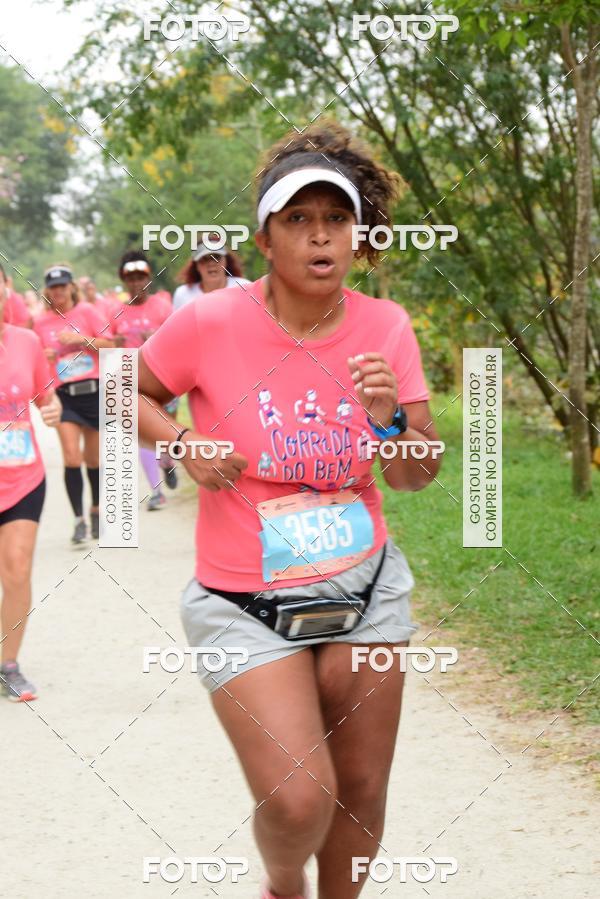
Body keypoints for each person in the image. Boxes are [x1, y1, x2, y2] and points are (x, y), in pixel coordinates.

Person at [137, 122, 442, 899]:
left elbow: (415, 476)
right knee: (298, 796)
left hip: (365, 592)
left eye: (335, 220)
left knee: (363, 787)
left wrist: (387, 421)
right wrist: (182, 443)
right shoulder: (209, 319)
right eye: (297, 220)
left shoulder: (387, 328)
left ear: (358, 234)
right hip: (244, 602)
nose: (320, 238)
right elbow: (123, 392)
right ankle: (283, 884)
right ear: (264, 240)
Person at [0, 264, 62, 701]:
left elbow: (46, 398)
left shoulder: (26, 342)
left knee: (17, 569)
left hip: (22, 477)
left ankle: (8, 664)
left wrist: (53, 410)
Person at [33, 264, 114, 544]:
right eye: (53, 287)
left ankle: (95, 509)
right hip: (65, 395)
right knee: (71, 457)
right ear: (47, 290)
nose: (58, 291)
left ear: (71, 287)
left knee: (92, 459)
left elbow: (110, 345)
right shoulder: (41, 322)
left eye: (63, 286)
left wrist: (82, 339)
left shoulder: (87, 313)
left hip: (93, 391)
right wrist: (44, 355)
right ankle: (78, 519)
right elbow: (36, 357)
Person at [112, 251, 175, 509]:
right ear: (124, 281)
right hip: (133, 382)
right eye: (131, 278)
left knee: (166, 434)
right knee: (141, 435)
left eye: (141, 277)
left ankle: (168, 461)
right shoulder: (117, 313)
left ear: (149, 278)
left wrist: (158, 337)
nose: (136, 283)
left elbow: (180, 342)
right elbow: (108, 343)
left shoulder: (162, 307)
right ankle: (156, 491)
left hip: (165, 380)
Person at [172, 236, 250, 311]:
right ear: (196, 265)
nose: (211, 264)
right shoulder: (183, 294)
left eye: (217, 257)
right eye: (204, 259)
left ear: (226, 261)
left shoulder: (244, 287)